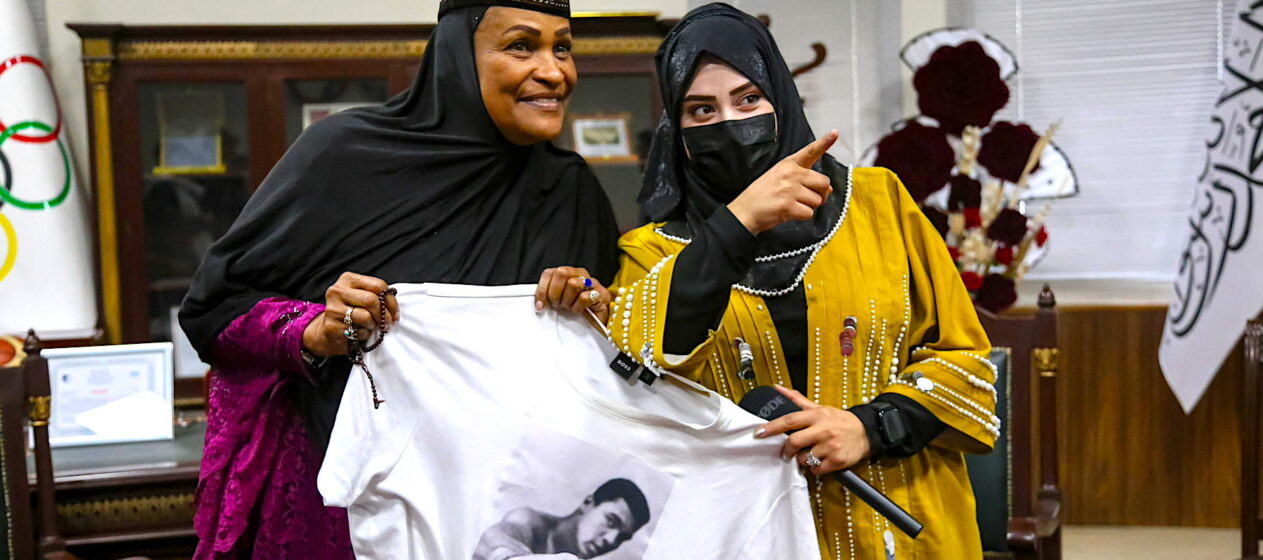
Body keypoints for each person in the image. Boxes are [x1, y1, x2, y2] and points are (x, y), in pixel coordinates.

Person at [179, 1, 617, 557]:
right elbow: (213, 308)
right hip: (345, 510)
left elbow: (596, 375)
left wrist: (594, 312)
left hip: (497, 516)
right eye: (521, 46)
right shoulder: (344, 156)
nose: (555, 71)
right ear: (459, 56)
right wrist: (315, 330)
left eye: (563, 47)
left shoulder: (572, 194)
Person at [607, 4, 998, 559]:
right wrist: (739, 221)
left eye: (748, 99)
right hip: (745, 533)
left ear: (781, 99)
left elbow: (967, 361)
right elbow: (643, 381)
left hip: (902, 523)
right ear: (678, 130)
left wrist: (871, 426)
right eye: (701, 110)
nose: (730, 124)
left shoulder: (877, 203)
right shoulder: (652, 254)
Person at [473, 478, 651, 560]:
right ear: (588, 503)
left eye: (622, 537)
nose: (611, 540)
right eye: (611, 521)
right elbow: (492, 543)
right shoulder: (530, 522)